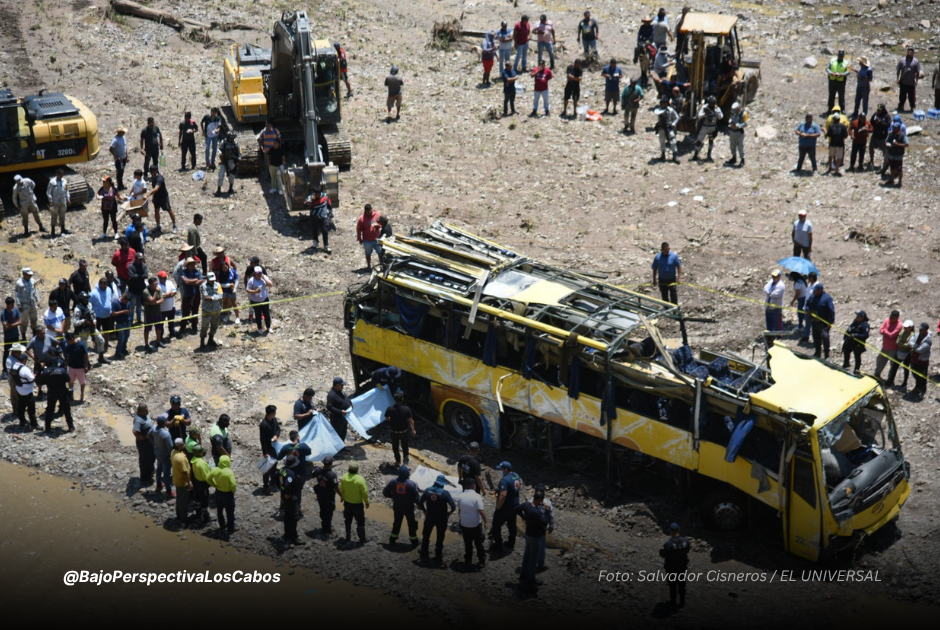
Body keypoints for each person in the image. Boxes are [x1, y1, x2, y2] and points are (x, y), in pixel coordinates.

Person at [516, 487, 549, 587]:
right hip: (535, 537)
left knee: (527, 555)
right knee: (534, 558)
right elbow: (544, 523)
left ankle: (523, 573)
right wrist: (547, 511)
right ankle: (531, 578)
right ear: (539, 500)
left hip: (528, 534)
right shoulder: (536, 512)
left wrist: (524, 517)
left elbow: (516, 509)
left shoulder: (526, 505)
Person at [419, 474, 456, 564]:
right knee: (440, 537)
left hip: (430, 518)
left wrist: (424, 510)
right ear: (442, 484)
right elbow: (453, 506)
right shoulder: (445, 493)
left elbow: (420, 502)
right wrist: (449, 513)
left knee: (426, 535)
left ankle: (424, 551)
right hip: (441, 519)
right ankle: (438, 555)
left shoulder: (427, 490)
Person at [383, 464, 421, 547]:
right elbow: (416, 499)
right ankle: (414, 540)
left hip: (397, 507)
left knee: (397, 522)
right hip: (408, 508)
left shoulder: (393, 481)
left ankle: (392, 539)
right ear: (408, 474)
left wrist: (393, 496)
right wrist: (421, 507)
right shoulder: (412, 484)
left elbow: (385, 492)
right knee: (411, 524)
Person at [38, 345, 72, 432]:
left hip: (51, 392)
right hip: (62, 392)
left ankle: (47, 428)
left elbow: (41, 382)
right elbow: (68, 380)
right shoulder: (62, 370)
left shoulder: (46, 372)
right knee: (67, 410)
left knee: (50, 410)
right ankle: (71, 426)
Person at [490, 461, 522, 552]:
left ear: (506, 470)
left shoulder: (504, 480)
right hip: (515, 505)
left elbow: (503, 495)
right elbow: (512, 488)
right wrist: (499, 490)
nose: (500, 471)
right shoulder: (516, 475)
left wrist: (498, 508)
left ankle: (498, 545)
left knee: (496, 525)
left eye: (501, 470)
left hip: (505, 507)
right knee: (512, 525)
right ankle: (511, 544)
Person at [457, 477, 487, 571]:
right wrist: (486, 522)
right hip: (475, 525)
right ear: (474, 486)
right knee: (479, 544)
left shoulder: (460, 496)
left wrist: (460, 519)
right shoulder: (477, 496)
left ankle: (468, 560)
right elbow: (481, 511)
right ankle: (481, 561)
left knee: (468, 544)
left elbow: (460, 510)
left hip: (464, 524)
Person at [660, 522, 690, 607]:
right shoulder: (686, 541)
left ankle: (673, 601)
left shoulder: (668, 544)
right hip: (682, 566)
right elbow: (687, 550)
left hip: (671, 567)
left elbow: (662, 554)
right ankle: (682, 602)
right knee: (682, 584)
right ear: (679, 530)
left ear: (671, 531)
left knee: (672, 585)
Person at [279, 453, 306, 546]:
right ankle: (294, 538)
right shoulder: (291, 473)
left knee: (287, 516)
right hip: (290, 498)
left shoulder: (282, 470)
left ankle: (287, 535)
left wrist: (282, 490)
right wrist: (288, 493)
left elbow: (275, 478)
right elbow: (287, 484)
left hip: (283, 496)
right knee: (294, 517)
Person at [340, 462, 370, 544]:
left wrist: (342, 497)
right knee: (360, 522)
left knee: (348, 520)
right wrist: (367, 502)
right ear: (357, 470)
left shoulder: (344, 477)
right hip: (357, 505)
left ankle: (348, 537)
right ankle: (362, 539)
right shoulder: (360, 479)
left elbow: (341, 489)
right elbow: (364, 492)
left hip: (347, 503)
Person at [311, 455, 342, 536]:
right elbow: (336, 487)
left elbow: (312, 475)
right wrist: (341, 496)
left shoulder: (318, 470)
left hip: (320, 493)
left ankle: (324, 525)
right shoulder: (332, 475)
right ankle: (326, 529)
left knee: (322, 509)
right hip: (329, 495)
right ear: (331, 463)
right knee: (329, 511)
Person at [208, 454, 238, 535]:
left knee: (219, 510)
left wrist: (214, 485)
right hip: (228, 494)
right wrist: (233, 491)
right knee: (230, 511)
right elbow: (233, 484)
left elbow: (208, 478)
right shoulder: (229, 472)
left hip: (218, 492)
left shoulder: (215, 470)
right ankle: (230, 527)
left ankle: (222, 526)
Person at [385, 391, 416, 467]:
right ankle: (405, 463)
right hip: (404, 432)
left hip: (394, 432)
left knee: (395, 447)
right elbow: (411, 421)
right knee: (405, 447)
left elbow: (387, 418)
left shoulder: (390, 409)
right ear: (402, 399)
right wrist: (413, 430)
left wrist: (391, 419)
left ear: (394, 399)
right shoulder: (406, 409)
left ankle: (397, 461)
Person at [10, 347, 38, 429]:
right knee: (31, 409)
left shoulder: (13, 366)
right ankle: (34, 424)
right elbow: (31, 379)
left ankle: (22, 421)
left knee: (21, 407)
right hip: (27, 391)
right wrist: (35, 375)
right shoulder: (25, 369)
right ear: (25, 360)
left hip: (19, 389)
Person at [145, 165, 177, 233]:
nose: (152, 173)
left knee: (169, 210)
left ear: (156, 171)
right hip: (157, 197)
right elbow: (154, 188)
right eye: (151, 171)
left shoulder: (159, 178)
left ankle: (174, 225)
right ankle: (158, 225)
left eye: (153, 171)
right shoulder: (153, 178)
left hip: (163, 197)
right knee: (156, 210)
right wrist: (153, 197)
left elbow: (156, 188)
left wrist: (148, 195)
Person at [807, 283, 835, 359]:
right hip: (814, 321)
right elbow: (807, 304)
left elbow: (831, 311)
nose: (814, 292)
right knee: (816, 337)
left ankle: (826, 355)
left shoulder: (827, 298)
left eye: (815, 291)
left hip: (824, 323)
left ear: (820, 290)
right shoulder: (812, 297)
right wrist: (807, 309)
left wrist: (830, 322)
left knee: (825, 337)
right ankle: (817, 353)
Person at [875, 310, 903, 382]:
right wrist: (886, 332)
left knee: (892, 365)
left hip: (893, 349)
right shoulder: (887, 320)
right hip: (884, 347)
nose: (891, 318)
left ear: (897, 318)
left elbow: (892, 335)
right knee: (880, 360)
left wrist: (885, 331)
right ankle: (877, 374)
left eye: (893, 317)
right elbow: (881, 330)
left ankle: (890, 379)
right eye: (891, 316)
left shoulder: (899, 325)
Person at [151, 414, 175, 498]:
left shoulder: (154, 428)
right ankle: (169, 491)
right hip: (165, 456)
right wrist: (172, 456)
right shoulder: (166, 434)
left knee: (159, 469)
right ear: (165, 422)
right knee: (167, 474)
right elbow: (170, 447)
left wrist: (154, 443)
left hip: (158, 453)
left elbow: (148, 435)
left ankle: (159, 485)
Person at [62, 331, 89, 404]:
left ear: (71, 339)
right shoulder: (69, 346)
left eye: (68, 340)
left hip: (80, 367)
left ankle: (82, 395)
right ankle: (70, 395)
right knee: (70, 382)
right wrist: (66, 364)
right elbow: (68, 355)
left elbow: (86, 355)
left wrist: (86, 366)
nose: (67, 342)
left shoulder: (81, 345)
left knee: (82, 382)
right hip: (71, 367)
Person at [692, 96, 722, 161]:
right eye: (710, 103)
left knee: (711, 141)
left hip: (713, 127)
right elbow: (699, 116)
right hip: (705, 126)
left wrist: (717, 111)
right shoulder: (705, 107)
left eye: (713, 103)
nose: (711, 104)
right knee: (699, 140)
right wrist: (705, 114)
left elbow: (720, 117)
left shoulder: (717, 108)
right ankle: (695, 155)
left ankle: (709, 155)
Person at [259, 404, 281, 491]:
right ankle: (266, 486)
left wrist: (276, 435)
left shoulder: (274, 420)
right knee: (267, 468)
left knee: (275, 464)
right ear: (270, 413)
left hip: (274, 447)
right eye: (274, 412)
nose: (275, 414)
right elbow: (262, 440)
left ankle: (273, 480)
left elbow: (278, 429)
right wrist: (265, 452)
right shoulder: (264, 425)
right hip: (268, 448)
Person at [306, 186, 334, 253]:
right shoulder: (310, 197)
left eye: (318, 194)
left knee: (325, 230)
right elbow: (305, 205)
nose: (317, 195)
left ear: (320, 193)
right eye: (316, 194)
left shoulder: (325, 196)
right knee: (315, 230)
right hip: (314, 217)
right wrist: (310, 201)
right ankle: (315, 242)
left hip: (323, 216)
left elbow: (329, 204)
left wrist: (331, 212)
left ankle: (326, 246)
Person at [171, 438, 193, 526]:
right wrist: (189, 483)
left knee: (179, 498)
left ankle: (179, 515)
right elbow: (184, 472)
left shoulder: (173, 452)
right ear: (179, 446)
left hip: (176, 479)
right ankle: (184, 519)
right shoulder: (181, 458)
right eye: (183, 444)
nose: (184, 445)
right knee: (183, 500)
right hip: (183, 482)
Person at [245, 266, 273, 334]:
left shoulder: (264, 277)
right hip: (255, 301)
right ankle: (260, 328)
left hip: (264, 299)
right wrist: (255, 291)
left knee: (266, 314)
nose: (259, 274)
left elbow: (271, 284)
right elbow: (248, 290)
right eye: (257, 273)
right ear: (255, 273)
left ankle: (268, 327)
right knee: (258, 314)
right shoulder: (251, 280)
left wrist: (264, 278)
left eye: (260, 273)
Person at [199, 272, 223, 349]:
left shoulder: (218, 285)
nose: (212, 281)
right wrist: (215, 297)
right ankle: (202, 342)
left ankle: (210, 339)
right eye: (210, 280)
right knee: (204, 326)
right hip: (207, 310)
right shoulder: (203, 286)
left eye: (213, 280)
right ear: (207, 279)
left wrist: (212, 298)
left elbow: (221, 295)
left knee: (214, 326)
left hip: (216, 309)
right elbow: (206, 297)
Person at [132, 404, 155, 484]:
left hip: (150, 442)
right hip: (144, 445)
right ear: (141, 411)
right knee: (145, 460)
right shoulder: (138, 420)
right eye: (146, 410)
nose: (147, 411)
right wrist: (141, 438)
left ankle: (151, 471)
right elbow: (135, 431)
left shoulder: (145, 415)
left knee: (151, 457)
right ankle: (145, 478)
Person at [15, 268, 40, 340]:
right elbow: (17, 295)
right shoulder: (19, 283)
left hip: (32, 303)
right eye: (28, 275)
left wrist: (37, 300)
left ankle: (34, 333)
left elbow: (35, 291)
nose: (30, 276)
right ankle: (23, 336)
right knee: (24, 321)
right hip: (24, 305)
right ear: (24, 274)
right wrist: (19, 305)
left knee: (34, 319)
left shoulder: (32, 281)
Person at [179, 257, 203, 334]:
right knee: (185, 312)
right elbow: (186, 281)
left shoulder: (197, 271)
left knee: (195, 310)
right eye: (191, 264)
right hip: (187, 295)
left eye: (193, 264)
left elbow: (201, 281)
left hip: (196, 294)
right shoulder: (183, 272)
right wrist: (195, 280)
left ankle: (194, 326)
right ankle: (182, 327)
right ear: (187, 265)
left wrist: (191, 282)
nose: (193, 265)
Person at [889, 320, 916, 389]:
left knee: (906, 368)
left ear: (910, 327)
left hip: (907, 354)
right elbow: (898, 341)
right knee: (894, 366)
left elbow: (910, 345)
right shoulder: (902, 332)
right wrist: (903, 344)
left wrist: (902, 344)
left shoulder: (912, 335)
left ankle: (905, 383)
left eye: (906, 327)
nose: (905, 328)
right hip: (899, 351)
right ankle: (891, 380)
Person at [356, 204, 383, 270]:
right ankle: (368, 266)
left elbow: (382, 223)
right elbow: (359, 229)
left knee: (380, 252)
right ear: (365, 211)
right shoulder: (362, 219)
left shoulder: (377, 215)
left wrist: (378, 225)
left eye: (371, 210)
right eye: (368, 211)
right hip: (367, 240)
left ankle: (382, 265)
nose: (370, 212)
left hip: (377, 238)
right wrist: (359, 238)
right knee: (368, 253)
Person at [908, 323, 932, 397]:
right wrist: (915, 346)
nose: (920, 330)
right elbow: (910, 341)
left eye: (922, 329)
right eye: (920, 329)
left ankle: (923, 390)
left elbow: (921, 350)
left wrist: (914, 347)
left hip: (922, 361)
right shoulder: (917, 334)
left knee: (922, 376)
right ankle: (917, 386)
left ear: (926, 330)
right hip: (914, 359)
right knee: (914, 373)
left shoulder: (928, 339)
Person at [190, 444, 211, 525]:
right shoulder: (201, 463)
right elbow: (206, 476)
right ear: (199, 453)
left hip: (196, 483)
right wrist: (212, 482)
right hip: (203, 484)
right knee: (204, 500)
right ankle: (206, 518)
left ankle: (198, 514)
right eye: (202, 451)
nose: (204, 452)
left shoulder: (193, 460)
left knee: (197, 499)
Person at [142, 277, 164, 353]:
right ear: (150, 284)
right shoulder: (146, 291)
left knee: (159, 327)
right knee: (147, 329)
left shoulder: (158, 289)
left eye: (157, 283)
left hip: (157, 312)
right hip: (149, 313)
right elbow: (151, 300)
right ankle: (146, 344)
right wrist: (155, 293)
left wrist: (154, 303)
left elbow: (162, 299)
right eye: (155, 284)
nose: (157, 285)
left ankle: (158, 341)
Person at [326, 376, 352, 442]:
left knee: (343, 432)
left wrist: (350, 403)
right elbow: (329, 407)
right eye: (342, 385)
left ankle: (342, 446)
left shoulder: (341, 391)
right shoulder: (331, 394)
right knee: (337, 434)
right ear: (337, 385)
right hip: (337, 418)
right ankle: (336, 447)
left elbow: (345, 398)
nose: (343, 386)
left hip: (344, 417)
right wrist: (340, 412)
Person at [1, 297, 22, 379]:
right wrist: (14, 325)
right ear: (8, 304)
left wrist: (11, 325)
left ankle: (17, 368)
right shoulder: (3, 313)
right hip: (8, 337)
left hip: (15, 335)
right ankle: (5, 371)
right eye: (12, 304)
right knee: (6, 353)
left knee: (17, 352)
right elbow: (5, 327)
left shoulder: (16, 310)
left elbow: (20, 321)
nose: (13, 305)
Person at [896, 47, 921, 112]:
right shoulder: (902, 60)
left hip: (911, 82)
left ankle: (912, 107)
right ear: (907, 52)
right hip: (903, 81)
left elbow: (917, 72)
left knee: (911, 96)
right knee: (902, 95)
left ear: (913, 53)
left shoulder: (916, 61)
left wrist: (916, 80)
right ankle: (901, 106)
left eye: (911, 53)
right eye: (908, 52)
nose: (909, 53)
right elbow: (898, 70)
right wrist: (897, 78)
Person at [126, 253, 149, 325]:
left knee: (139, 305)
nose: (140, 261)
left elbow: (146, 275)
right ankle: (131, 320)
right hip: (132, 289)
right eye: (139, 259)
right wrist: (140, 276)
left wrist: (137, 276)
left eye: (141, 259)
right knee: (132, 306)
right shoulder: (131, 266)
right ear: (135, 259)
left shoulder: (144, 266)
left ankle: (139, 319)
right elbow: (131, 276)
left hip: (141, 289)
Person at [46, 169, 70, 238]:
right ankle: (53, 231)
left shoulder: (65, 181)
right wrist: (50, 201)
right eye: (59, 174)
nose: (60, 176)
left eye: (61, 174)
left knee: (62, 215)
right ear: (56, 174)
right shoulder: (52, 182)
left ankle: (63, 229)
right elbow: (48, 192)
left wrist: (68, 199)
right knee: (54, 216)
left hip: (63, 201)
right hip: (55, 202)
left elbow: (67, 190)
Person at [884, 122, 908, 188]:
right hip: (891, 153)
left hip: (898, 155)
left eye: (896, 128)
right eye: (894, 127)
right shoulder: (890, 134)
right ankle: (892, 179)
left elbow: (906, 144)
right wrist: (887, 144)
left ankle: (900, 182)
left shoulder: (902, 135)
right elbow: (886, 140)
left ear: (899, 128)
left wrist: (897, 144)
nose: (894, 129)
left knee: (899, 169)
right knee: (892, 167)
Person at [216, 131, 241, 196]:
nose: (232, 139)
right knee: (221, 175)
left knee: (232, 175)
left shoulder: (235, 143)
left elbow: (240, 151)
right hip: (224, 161)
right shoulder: (223, 142)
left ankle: (230, 188)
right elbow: (219, 149)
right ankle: (218, 190)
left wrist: (239, 158)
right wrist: (220, 153)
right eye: (231, 138)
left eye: (233, 138)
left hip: (232, 161)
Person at [155, 270, 177, 338]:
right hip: (162, 309)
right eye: (163, 278)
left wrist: (166, 295)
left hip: (171, 307)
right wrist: (169, 293)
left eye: (165, 277)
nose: (164, 279)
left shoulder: (169, 282)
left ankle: (172, 333)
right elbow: (160, 296)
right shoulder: (157, 285)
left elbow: (174, 291)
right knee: (161, 324)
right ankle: (160, 337)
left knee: (171, 322)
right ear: (159, 277)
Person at [870, 104, 891, 173]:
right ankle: (872, 161)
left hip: (882, 137)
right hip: (875, 135)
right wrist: (875, 123)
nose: (878, 111)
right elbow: (871, 121)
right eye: (878, 110)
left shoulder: (887, 116)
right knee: (871, 148)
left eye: (880, 110)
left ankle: (884, 164)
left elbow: (888, 124)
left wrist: (881, 122)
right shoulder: (875, 114)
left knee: (884, 150)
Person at [726, 102, 748, 166]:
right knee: (732, 145)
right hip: (732, 131)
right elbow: (731, 118)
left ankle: (742, 160)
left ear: (738, 108)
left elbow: (745, 124)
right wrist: (730, 122)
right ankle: (734, 157)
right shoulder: (733, 113)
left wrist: (737, 125)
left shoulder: (744, 113)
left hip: (739, 132)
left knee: (740, 146)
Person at [110, 292, 131, 358]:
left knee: (127, 336)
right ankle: (118, 352)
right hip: (120, 323)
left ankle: (123, 349)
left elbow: (129, 309)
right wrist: (122, 312)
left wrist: (128, 311)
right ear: (123, 298)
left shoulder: (127, 302)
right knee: (121, 337)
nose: (127, 302)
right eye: (126, 301)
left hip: (127, 321)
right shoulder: (115, 303)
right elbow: (113, 313)